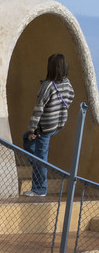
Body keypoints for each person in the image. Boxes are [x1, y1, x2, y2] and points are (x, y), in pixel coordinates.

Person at [23, 53, 75, 199]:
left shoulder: (48, 86)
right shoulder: (67, 83)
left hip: (44, 128)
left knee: (37, 152)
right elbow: (71, 96)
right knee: (31, 144)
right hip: (57, 125)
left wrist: (33, 129)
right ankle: (38, 164)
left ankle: (39, 189)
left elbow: (38, 109)